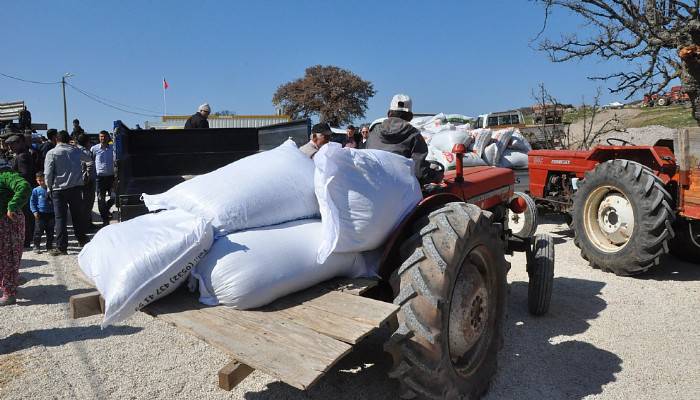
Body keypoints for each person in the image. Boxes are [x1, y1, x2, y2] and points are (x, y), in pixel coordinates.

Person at [365, 94, 437, 184]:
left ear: (388, 113)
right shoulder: (414, 135)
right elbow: (419, 172)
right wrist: (437, 176)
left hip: (373, 187)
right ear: (410, 116)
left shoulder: (373, 133)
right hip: (401, 192)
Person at [44, 130, 91, 256]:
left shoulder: (51, 153)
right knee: (77, 216)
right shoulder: (75, 150)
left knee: (60, 218)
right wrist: (86, 174)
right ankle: (82, 240)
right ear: (68, 139)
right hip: (75, 188)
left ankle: (62, 247)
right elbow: (88, 159)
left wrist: (49, 187)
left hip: (58, 190)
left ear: (57, 140)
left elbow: (48, 173)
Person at [0, 157, 31, 305]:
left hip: (7, 223)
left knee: (8, 258)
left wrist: (12, 205)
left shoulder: (5, 175)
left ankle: (9, 293)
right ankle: (11, 282)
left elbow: (24, 186)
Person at [6, 134, 36, 248]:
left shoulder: (22, 156)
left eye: (12, 144)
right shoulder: (21, 154)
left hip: (23, 190)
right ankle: (28, 237)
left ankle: (27, 240)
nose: (10, 147)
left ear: (19, 143)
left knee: (26, 216)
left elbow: (25, 174)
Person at [90, 130, 115, 226]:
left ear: (108, 137)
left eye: (104, 136)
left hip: (111, 178)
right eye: (101, 136)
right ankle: (105, 219)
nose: (102, 138)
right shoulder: (94, 149)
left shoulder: (113, 148)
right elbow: (91, 161)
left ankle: (106, 210)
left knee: (114, 198)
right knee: (101, 200)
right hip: (99, 179)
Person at [29, 172, 54, 253]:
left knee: (50, 231)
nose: (42, 182)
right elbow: (32, 202)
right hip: (40, 214)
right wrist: (35, 211)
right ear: (36, 180)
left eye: (43, 180)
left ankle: (49, 246)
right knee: (38, 231)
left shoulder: (51, 189)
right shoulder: (36, 190)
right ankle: (36, 246)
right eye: (39, 180)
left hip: (51, 214)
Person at [77, 134, 97, 230]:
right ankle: (86, 224)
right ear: (87, 142)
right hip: (87, 182)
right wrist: (88, 178)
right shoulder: (86, 152)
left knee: (82, 204)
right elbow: (89, 166)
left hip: (77, 181)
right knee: (88, 203)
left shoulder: (74, 150)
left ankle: (85, 223)